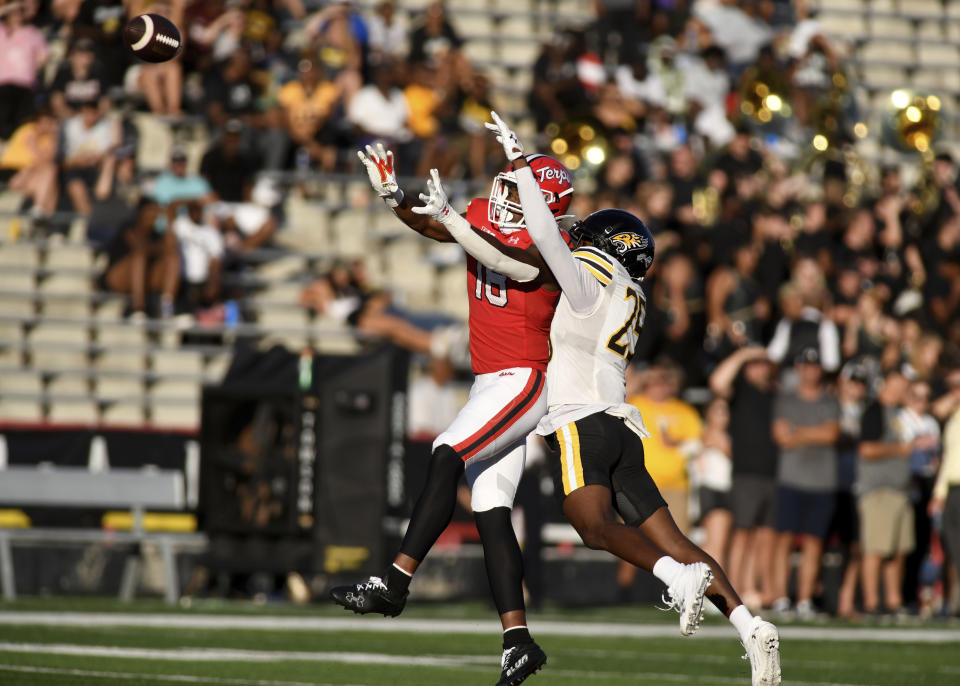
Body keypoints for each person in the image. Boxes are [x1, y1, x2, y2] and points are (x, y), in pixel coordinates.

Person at [454, 110, 781, 686]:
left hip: (581, 421)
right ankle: (751, 625)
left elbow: (551, 245)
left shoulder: (588, 278)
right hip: (622, 426)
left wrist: (522, 168)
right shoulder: (631, 293)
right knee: (677, 538)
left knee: (593, 526)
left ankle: (675, 579)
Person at [330, 142, 578, 686]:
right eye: (507, 187)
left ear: (548, 202)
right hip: (490, 382)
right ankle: (518, 640)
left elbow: (505, 261)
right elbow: (442, 231)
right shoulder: (482, 217)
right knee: (491, 511)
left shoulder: (556, 245)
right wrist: (396, 198)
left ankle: (394, 584)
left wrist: (452, 220)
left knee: (445, 452)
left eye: (520, 191)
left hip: (524, 379)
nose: (505, 197)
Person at [769, 347, 840, 619]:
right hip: (791, 479)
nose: (811, 371)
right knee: (784, 539)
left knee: (814, 542)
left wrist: (799, 431)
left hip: (822, 481)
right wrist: (816, 432)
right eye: (806, 366)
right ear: (798, 368)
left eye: (815, 366)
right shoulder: (786, 400)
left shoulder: (830, 400)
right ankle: (780, 597)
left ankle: (804, 599)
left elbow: (832, 434)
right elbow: (781, 437)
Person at [709, 346, 779, 609]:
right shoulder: (740, 391)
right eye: (753, 364)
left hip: (772, 474)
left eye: (762, 363)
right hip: (746, 474)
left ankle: (753, 588)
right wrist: (744, 354)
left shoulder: (775, 393)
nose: (758, 368)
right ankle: (735, 588)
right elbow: (717, 382)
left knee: (765, 536)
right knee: (742, 534)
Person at [858, 368, 916, 616]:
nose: (906, 387)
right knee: (876, 550)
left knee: (898, 550)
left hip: (900, 491)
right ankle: (871, 602)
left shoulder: (901, 414)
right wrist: (900, 450)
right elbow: (867, 450)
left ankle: (893, 601)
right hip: (878, 491)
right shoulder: (875, 410)